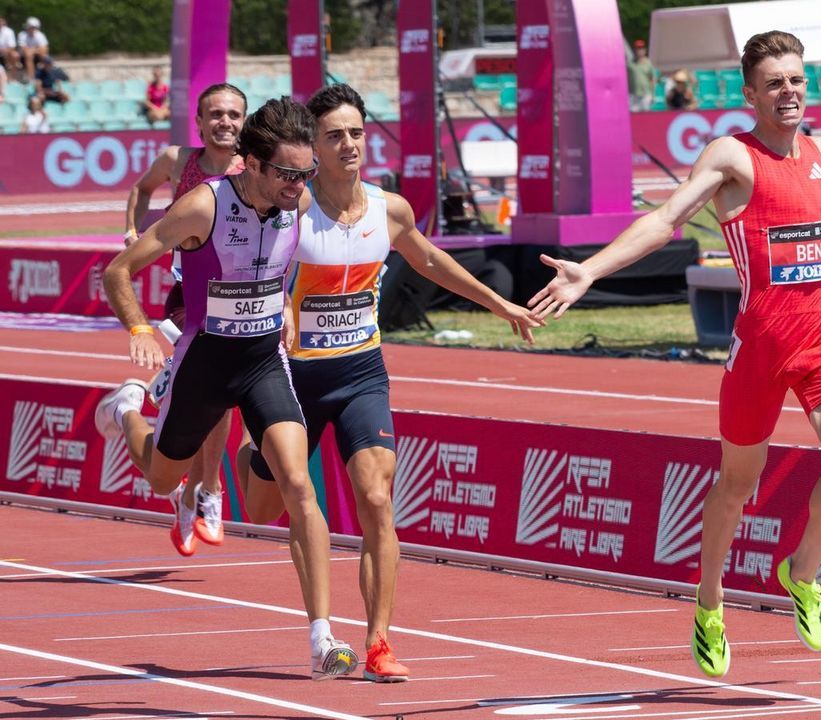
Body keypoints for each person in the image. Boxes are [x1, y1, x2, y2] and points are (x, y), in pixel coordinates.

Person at [528, 30, 821, 679]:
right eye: (776, 83)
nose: (789, 92)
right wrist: (590, 270)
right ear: (751, 93)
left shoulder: (819, 155)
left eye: (797, 80)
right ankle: (708, 604)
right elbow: (664, 219)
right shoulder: (734, 156)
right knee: (735, 487)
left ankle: (802, 572)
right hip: (759, 349)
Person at [237, 84, 543, 682]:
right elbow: (251, 264)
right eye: (334, 136)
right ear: (314, 149)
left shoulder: (389, 209)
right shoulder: (292, 211)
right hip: (293, 377)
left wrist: (499, 304)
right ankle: (256, 456)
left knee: (376, 499)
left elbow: (431, 262)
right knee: (263, 506)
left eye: (356, 133)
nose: (348, 144)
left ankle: (378, 641)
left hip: (360, 372)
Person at [94, 97, 360, 681]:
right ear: (254, 165)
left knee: (297, 483)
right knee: (164, 477)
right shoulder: (202, 207)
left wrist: (287, 308)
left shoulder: (302, 199)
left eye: (306, 172)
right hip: (205, 364)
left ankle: (323, 639)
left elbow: (289, 264)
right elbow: (117, 270)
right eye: (288, 174)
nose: (299, 185)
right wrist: (140, 327)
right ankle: (127, 410)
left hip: (264, 361)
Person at [124, 82, 248, 557]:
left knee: (221, 395)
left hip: (238, 294)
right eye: (215, 114)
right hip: (190, 294)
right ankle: (209, 490)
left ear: (244, 121)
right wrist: (132, 231)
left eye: (233, 115)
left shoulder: (252, 166)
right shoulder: (179, 161)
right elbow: (141, 189)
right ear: (199, 121)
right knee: (217, 389)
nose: (224, 123)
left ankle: (192, 494)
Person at [628, 39, 656, 111]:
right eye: (637, 49)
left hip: (646, 95)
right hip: (633, 95)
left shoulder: (648, 63)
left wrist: (653, 95)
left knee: (646, 116)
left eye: (641, 48)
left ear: (644, 50)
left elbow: (652, 79)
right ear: (634, 50)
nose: (639, 51)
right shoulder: (630, 64)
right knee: (633, 115)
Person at [17, 17, 46, 86]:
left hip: (37, 56)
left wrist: (33, 50)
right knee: (29, 55)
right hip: (24, 57)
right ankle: (31, 78)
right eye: (31, 27)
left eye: (34, 27)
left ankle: (46, 74)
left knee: (43, 54)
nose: (32, 29)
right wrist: (35, 50)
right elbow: (24, 49)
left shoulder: (40, 35)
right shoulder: (22, 35)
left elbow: (44, 49)